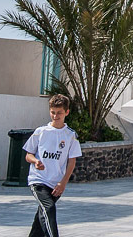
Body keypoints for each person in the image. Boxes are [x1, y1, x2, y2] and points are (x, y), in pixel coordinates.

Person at [23, 94, 82, 237]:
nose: (55, 116)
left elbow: (72, 161)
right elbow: (28, 155)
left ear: (66, 112)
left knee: (40, 219)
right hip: (38, 181)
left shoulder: (70, 136)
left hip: (56, 185)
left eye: (59, 113)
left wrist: (63, 183)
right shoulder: (40, 132)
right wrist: (35, 161)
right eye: (53, 112)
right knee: (48, 209)